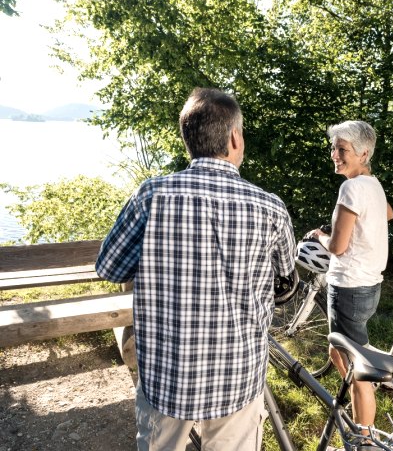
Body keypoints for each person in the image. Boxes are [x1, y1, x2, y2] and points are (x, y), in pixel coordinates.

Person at [96, 87, 296, 451]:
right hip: (239, 376)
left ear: (188, 140)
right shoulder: (270, 208)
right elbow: (287, 278)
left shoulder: (151, 195)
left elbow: (109, 268)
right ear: (235, 137)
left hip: (167, 376)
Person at [305, 120, 390, 442]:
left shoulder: (351, 188)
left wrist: (320, 237)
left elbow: (338, 247)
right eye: (333, 148)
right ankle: (363, 400)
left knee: (355, 367)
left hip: (349, 287)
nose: (334, 155)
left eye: (342, 150)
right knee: (337, 353)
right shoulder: (372, 184)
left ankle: (364, 437)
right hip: (369, 285)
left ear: (363, 152)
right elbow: (388, 213)